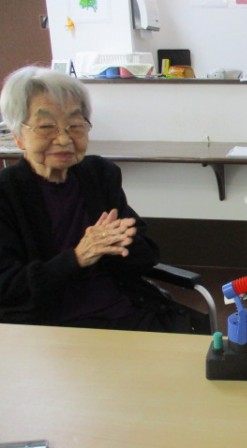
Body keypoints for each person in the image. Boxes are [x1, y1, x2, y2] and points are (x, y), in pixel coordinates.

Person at [0, 65, 209, 333]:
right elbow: (7, 286)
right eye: (47, 126)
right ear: (18, 137)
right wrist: (77, 257)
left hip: (124, 309)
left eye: (75, 125)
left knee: (209, 350)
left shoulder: (98, 175)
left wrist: (124, 241)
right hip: (48, 329)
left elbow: (146, 255)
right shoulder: (7, 194)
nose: (63, 139)